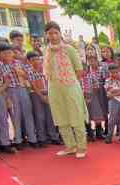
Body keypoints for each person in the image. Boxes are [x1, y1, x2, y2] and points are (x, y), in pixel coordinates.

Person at [42, 21, 89, 159]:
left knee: (76, 116)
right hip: (54, 87)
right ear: (46, 35)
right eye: (50, 33)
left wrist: (69, 81)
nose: (53, 36)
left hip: (70, 86)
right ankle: (70, 146)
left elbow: (79, 70)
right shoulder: (46, 51)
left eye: (55, 32)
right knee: (60, 117)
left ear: (60, 33)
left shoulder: (69, 49)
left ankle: (81, 147)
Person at [0, 42, 38, 148]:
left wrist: (22, 73)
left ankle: (32, 138)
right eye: (4, 53)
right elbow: (1, 82)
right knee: (15, 116)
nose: (7, 55)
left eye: (9, 52)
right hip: (10, 91)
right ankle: (18, 139)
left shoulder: (19, 63)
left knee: (28, 114)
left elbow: (28, 75)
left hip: (22, 89)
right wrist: (6, 98)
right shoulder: (0, 66)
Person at [27, 51, 60, 146]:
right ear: (29, 61)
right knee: (39, 116)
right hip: (36, 95)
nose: (36, 62)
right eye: (33, 60)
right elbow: (33, 86)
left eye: (38, 59)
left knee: (50, 116)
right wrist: (42, 96)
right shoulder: (30, 72)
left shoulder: (45, 70)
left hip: (48, 93)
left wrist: (49, 95)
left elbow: (50, 82)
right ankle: (42, 138)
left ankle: (53, 136)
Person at [82, 52, 106, 141]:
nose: (83, 71)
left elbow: (96, 86)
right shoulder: (78, 78)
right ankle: (89, 133)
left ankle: (99, 132)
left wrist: (91, 94)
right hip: (83, 98)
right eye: (82, 69)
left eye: (84, 69)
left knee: (97, 114)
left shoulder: (91, 76)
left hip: (93, 96)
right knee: (86, 115)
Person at [104, 63, 120, 144]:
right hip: (113, 101)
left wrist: (113, 93)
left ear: (118, 71)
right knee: (112, 119)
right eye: (112, 72)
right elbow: (109, 90)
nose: (115, 74)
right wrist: (118, 90)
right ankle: (109, 136)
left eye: (116, 72)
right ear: (109, 72)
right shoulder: (107, 80)